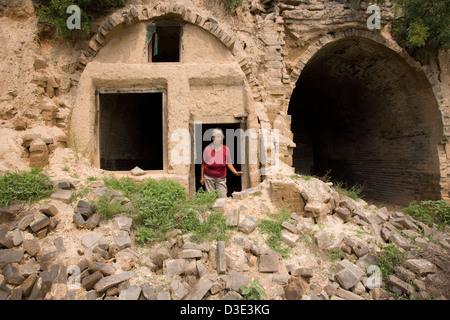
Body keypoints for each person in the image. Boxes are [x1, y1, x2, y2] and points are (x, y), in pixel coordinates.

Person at [200, 128, 243, 198]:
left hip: (221, 177)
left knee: (222, 196)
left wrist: (235, 172)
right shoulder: (207, 149)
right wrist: (202, 177)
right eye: (215, 137)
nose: (217, 139)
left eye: (219, 137)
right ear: (212, 138)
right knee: (210, 197)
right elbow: (203, 165)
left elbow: (229, 163)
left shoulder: (226, 149)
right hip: (208, 177)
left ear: (222, 138)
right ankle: (211, 209)